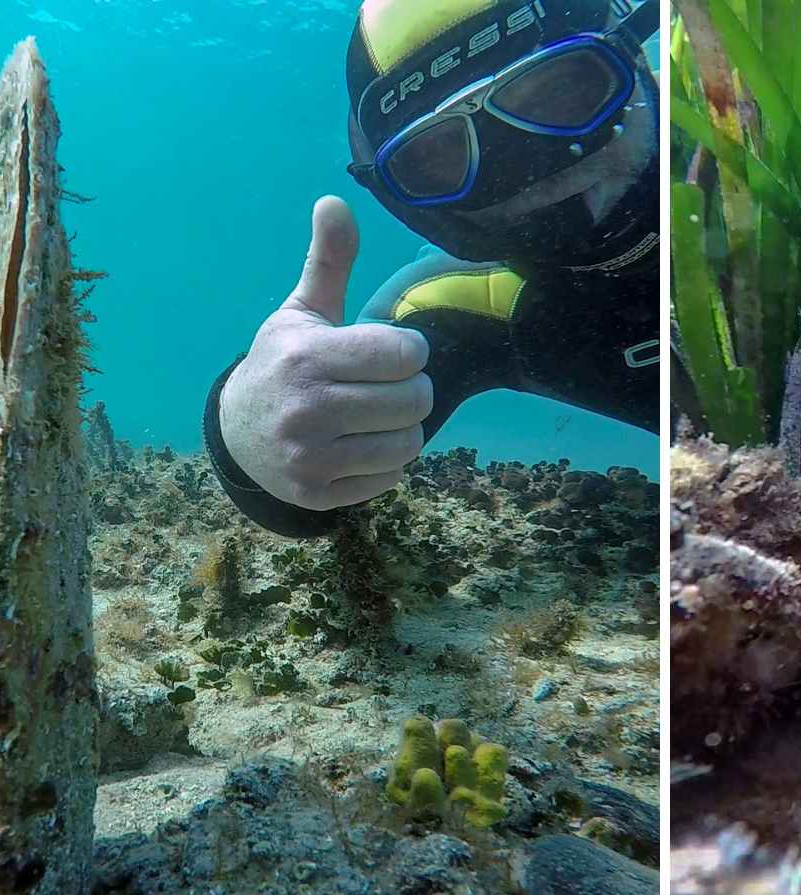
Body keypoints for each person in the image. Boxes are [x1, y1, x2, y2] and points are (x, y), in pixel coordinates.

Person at [202, 0, 661, 539]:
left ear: (638, 53)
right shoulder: (460, 305)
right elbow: (311, 504)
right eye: (442, 150)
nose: (530, 169)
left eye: (560, 90)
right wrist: (243, 423)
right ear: (402, 196)